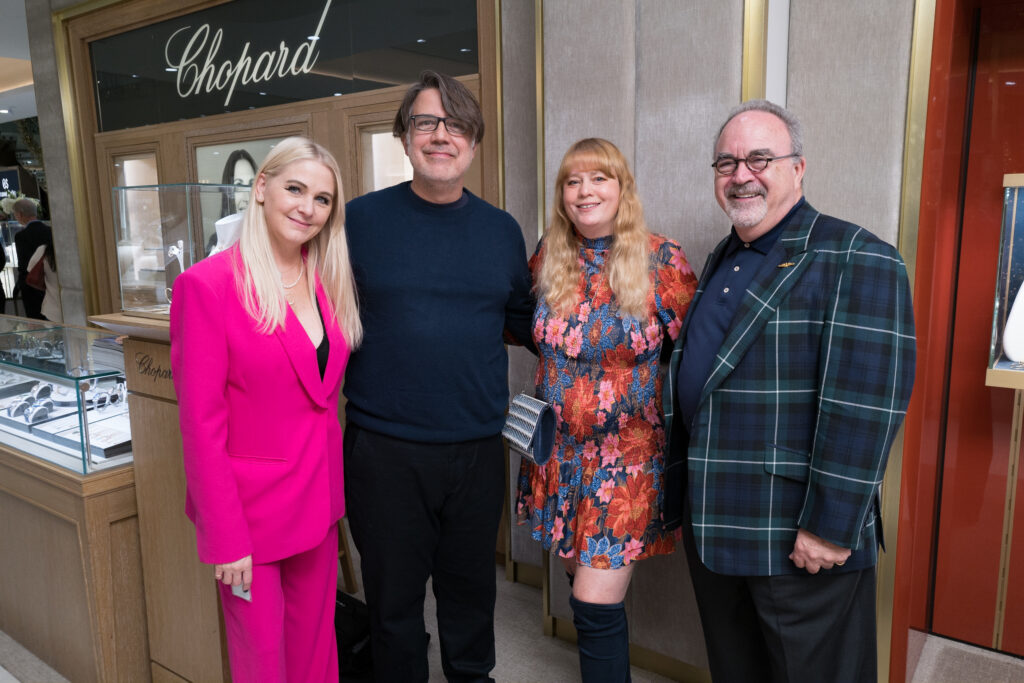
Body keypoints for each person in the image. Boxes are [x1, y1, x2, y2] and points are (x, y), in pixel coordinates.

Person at [662, 100, 916, 683]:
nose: (741, 174)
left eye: (759, 158)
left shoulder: (856, 256)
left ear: (797, 169)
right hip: (717, 526)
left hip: (798, 536)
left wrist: (829, 526)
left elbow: (867, 404)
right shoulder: (724, 256)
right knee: (738, 670)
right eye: (726, 163)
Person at [342, 69, 535, 682]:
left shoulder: (501, 230)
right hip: (384, 449)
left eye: (455, 125)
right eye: (426, 122)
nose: (440, 135)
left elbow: (524, 321)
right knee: (394, 606)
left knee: (471, 595)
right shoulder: (356, 223)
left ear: (473, 144)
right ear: (405, 137)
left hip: (476, 448)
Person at [169, 136, 362, 682]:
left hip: (319, 506)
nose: (307, 208)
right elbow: (200, 426)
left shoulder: (327, 280)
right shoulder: (207, 286)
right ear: (261, 189)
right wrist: (224, 536)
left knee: (316, 651)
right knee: (262, 664)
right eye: (295, 189)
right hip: (250, 523)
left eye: (322, 199)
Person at [516, 138, 697, 681]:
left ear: (622, 189)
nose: (584, 191)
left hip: (626, 461)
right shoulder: (550, 252)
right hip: (559, 454)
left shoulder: (661, 258)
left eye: (599, 178)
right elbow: (533, 332)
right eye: (573, 181)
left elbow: (691, 351)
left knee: (595, 606)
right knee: (580, 585)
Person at [11, 198, 51, 319]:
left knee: (36, 323)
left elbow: (23, 265)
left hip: (31, 286)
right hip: (50, 283)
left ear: (20, 214)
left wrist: (20, 285)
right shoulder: (49, 231)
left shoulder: (21, 236)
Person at [25, 236, 60, 322]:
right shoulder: (80, 248)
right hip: (82, 310)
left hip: (52, 310)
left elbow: (30, 269)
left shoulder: (44, 250)